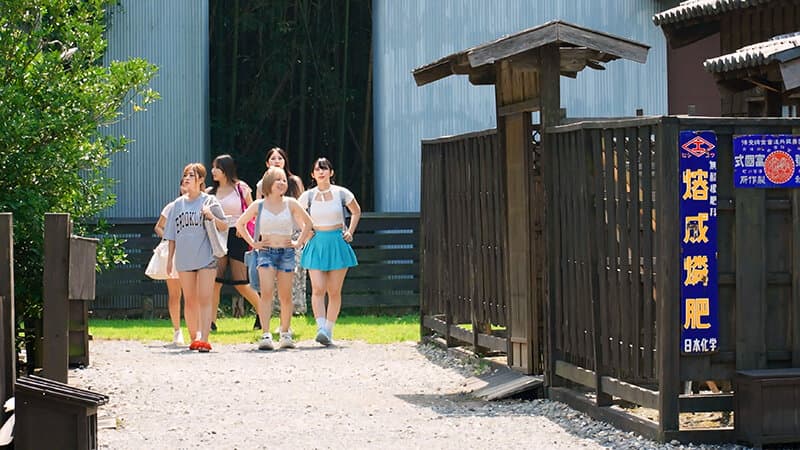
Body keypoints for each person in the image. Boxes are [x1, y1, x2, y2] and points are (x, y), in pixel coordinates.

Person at [236, 166, 313, 350]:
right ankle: (265, 334)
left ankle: (285, 333)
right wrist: (253, 243)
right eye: (278, 179)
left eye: (284, 180)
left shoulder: (291, 203)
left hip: (286, 252)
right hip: (265, 252)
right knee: (267, 293)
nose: (282, 183)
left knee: (286, 296)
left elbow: (308, 223)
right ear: (269, 183)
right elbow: (240, 224)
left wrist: (298, 243)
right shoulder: (258, 205)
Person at [297, 157, 361, 346]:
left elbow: (356, 211)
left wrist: (350, 231)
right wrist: (306, 232)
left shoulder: (342, 193)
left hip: (337, 242)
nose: (321, 172)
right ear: (312, 174)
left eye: (325, 169)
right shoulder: (307, 196)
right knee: (317, 288)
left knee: (334, 290)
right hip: (316, 242)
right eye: (318, 169)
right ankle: (320, 327)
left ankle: (328, 330)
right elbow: (297, 214)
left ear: (331, 172)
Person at [165, 163, 228, 353]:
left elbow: (224, 226)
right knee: (190, 299)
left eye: (191, 175)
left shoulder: (209, 201)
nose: (186, 178)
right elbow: (171, 235)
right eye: (185, 175)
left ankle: (205, 338)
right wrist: (169, 259)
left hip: (206, 256)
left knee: (205, 298)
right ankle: (194, 338)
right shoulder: (177, 204)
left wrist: (211, 217)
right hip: (184, 258)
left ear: (201, 179)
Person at [206, 154, 261, 331]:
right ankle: (211, 321)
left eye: (217, 167)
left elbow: (253, 211)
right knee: (216, 281)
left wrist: (242, 224)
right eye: (213, 167)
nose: (213, 171)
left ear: (226, 169)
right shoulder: (209, 192)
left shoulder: (241, 187)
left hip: (237, 236)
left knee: (241, 282)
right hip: (217, 236)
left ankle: (262, 312)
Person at [256, 147, 307, 321]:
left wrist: (302, 237)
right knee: (269, 286)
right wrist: (257, 240)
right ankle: (269, 322)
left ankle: (288, 322)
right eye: (273, 158)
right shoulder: (261, 186)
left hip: (291, 235)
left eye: (280, 158)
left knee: (292, 281)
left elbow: (301, 212)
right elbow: (258, 212)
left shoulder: (293, 182)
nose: (276, 161)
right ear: (266, 163)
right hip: (269, 239)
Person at [154, 183, 192, 345]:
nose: (186, 187)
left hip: (193, 251)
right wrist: (170, 239)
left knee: (193, 294)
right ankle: (177, 330)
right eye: (184, 183)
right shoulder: (172, 206)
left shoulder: (203, 204)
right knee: (175, 293)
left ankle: (195, 329)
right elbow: (159, 227)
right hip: (175, 251)